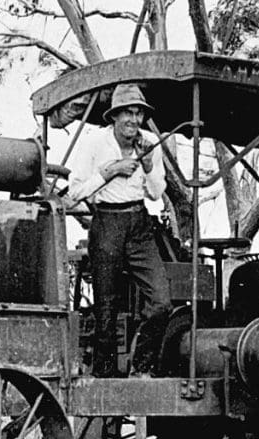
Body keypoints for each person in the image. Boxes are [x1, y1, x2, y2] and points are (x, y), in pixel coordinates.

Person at [65, 84, 171, 377]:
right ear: (114, 116)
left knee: (161, 302)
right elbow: (75, 192)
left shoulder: (150, 143)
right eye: (128, 113)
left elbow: (156, 193)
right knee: (106, 309)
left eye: (139, 114)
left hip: (139, 223)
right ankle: (105, 375)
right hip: (106, 223)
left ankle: (141, 367)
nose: (134, 120)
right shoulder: (94, 142)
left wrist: (148, 166)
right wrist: (110, 171)